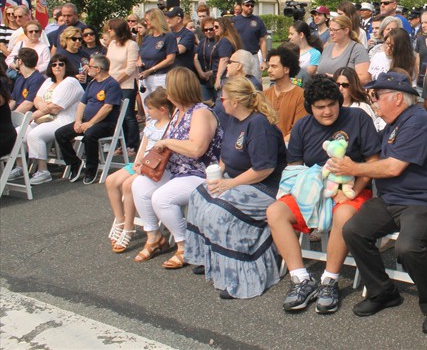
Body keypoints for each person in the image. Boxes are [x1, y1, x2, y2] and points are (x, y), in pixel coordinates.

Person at [330, 72, 427, 335]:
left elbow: (394, 167)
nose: (373, 100)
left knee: (408, 247)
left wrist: (353, 166)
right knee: (353, 230)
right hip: (394, 199)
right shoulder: (394, 124)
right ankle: (383, 291)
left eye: (377, 96)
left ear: (397, 98)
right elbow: (376, 159)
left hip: (425, 201)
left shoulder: (417, 121)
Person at [267, 76, 382, 313]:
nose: (328, 111)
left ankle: (329, 280)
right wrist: (314, 191)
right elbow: (295, 169)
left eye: (332, 104)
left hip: (352, 186)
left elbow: (373, 162)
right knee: (275, 211)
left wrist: (353, 192)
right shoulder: (302, 126)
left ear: (340, 102)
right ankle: (301, 279)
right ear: (310, 108)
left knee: (343, 216)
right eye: (320, 107)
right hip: (312, 188)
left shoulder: (358, 118)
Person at [185, 77, 286, 299]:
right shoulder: (233, 120)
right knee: (198, 197)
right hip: (236, 178)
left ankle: (238, 276)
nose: (220, 102)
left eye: (223, 98)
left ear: (235, 102)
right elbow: (227, 155)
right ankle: (212, 258)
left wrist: (229, 184)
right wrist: (219, 173)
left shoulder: (259, 126)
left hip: (264, 188)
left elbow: (264, 169)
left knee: (220, 212)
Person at [130, 67, 222, 269]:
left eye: (169, 86)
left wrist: (168, 142)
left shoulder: (200, 112)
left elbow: (197, 149)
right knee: (139, 185)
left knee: (161, 198)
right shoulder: (179, 112)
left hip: (199, 172)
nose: (165, 90)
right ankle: (154, 237)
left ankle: (184, 245)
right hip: (177, 170)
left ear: (178, 89)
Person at [105, 89, 173, 254]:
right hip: (143, 162)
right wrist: (136, 163)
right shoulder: (151, 125)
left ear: (162, 109)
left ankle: (129, 227)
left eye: (150, 109)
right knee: (111, 181)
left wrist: (140, 168)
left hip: (155, 166)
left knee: (128, 185)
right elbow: (143, 147)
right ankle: (120, 220)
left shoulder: (170, 127)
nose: (147, 112)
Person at [55, 54, 122, 185]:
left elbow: (107, 108)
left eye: (90, 66)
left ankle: (91, 169)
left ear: (98, 69)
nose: (87, 69)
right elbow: (82, 104)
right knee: (60, 133)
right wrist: (78, 121)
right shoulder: (92, 84)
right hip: (86, 121)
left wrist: (90, 123)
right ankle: (75, 163)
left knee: (90, 134)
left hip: (105, 123)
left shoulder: (112, 84)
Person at [18, 55, 84, 185]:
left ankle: (43, 172)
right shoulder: (48, 81)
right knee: (18, 131)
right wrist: (43, 106)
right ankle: (20, 167)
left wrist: (34, 115)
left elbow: (56, 108)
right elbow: (37, 99)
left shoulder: (70, 82)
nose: (57, 67)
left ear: (67, 66)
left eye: (61, 64)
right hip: (45, 118)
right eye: (54, 64)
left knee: (35, 135)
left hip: (64, 120)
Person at [105, 18, 141, 155]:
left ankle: (132, 145)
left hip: (126, 84)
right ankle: (122, 144)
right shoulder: (112, 44)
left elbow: (131, 67)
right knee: (117, 115)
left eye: (111, 28)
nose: (109, 31)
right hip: (112, 83)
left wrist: (117, 81)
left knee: (128, 115)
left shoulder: (131, 45)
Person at [264, 46, 307, 142]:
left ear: (286, 69)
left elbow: (297, 131)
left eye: (274, 66)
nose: (269, 70)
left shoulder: (301, 96)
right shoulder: (264, 95)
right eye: (269, 66)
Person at [137, 8, 177, 102]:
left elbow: (170, 59)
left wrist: (152, 69)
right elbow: (141, 54)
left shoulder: (168, 36)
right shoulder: (147, 37)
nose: (146, 23)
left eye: (147, 20)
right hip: (145, 77)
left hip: (160, 77)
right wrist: (140, 62)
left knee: (161, 105)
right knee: (148, 109)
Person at [317, 16, 370, 84]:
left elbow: (365, 79)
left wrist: (338, 79)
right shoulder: (328, 46)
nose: (331, 33)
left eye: (335, 30)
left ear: (346, 30)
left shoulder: (357, 49)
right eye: (330, 30)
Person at [333, 66, 384, 131]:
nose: (340, 88)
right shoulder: (330, 107)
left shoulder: (362, 107)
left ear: (353, 85)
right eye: (337, 84)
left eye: (345, 85)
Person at [233, 0, 269, 71]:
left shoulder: (258, 21)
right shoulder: (235, 20)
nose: (250, 7)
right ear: (242, 6)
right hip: (238, 57)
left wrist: (264, 61)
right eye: (247, 5)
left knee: (255, 81)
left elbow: (263, 41)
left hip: (253, 56)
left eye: (252, 6)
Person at [210, 17, 242, 94]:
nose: (214, 29)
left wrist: (218, 78)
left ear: (223, 27)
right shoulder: (224, 39)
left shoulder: (225, 41)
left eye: (216, 27)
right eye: (213, 27)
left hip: (224, 77)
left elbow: (224, 59)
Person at [9, 48, 46, 113]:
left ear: (20, 61)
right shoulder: (20, 78)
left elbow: (28, 104)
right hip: (17, 114)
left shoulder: (37, 79)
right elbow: (13, 101)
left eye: (16, 59)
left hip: (28, 117)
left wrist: (12, 117)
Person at [164, 7, 196, 71]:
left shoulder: (188, 34)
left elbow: (180, 49)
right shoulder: (167, 34)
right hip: (170, 72)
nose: (167, 20)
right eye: (167, 18)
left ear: (178, 19)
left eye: (170, 18)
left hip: (183, 73)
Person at [194, 16, 217, 102]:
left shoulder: (220, 41)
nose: (208, 32)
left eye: (211, 29)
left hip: (215, 77)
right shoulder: (202, 42)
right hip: (203, 80)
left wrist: (211, 72)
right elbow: (195, 58)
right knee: (206, 104)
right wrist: (201, 72)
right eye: (205, 30)